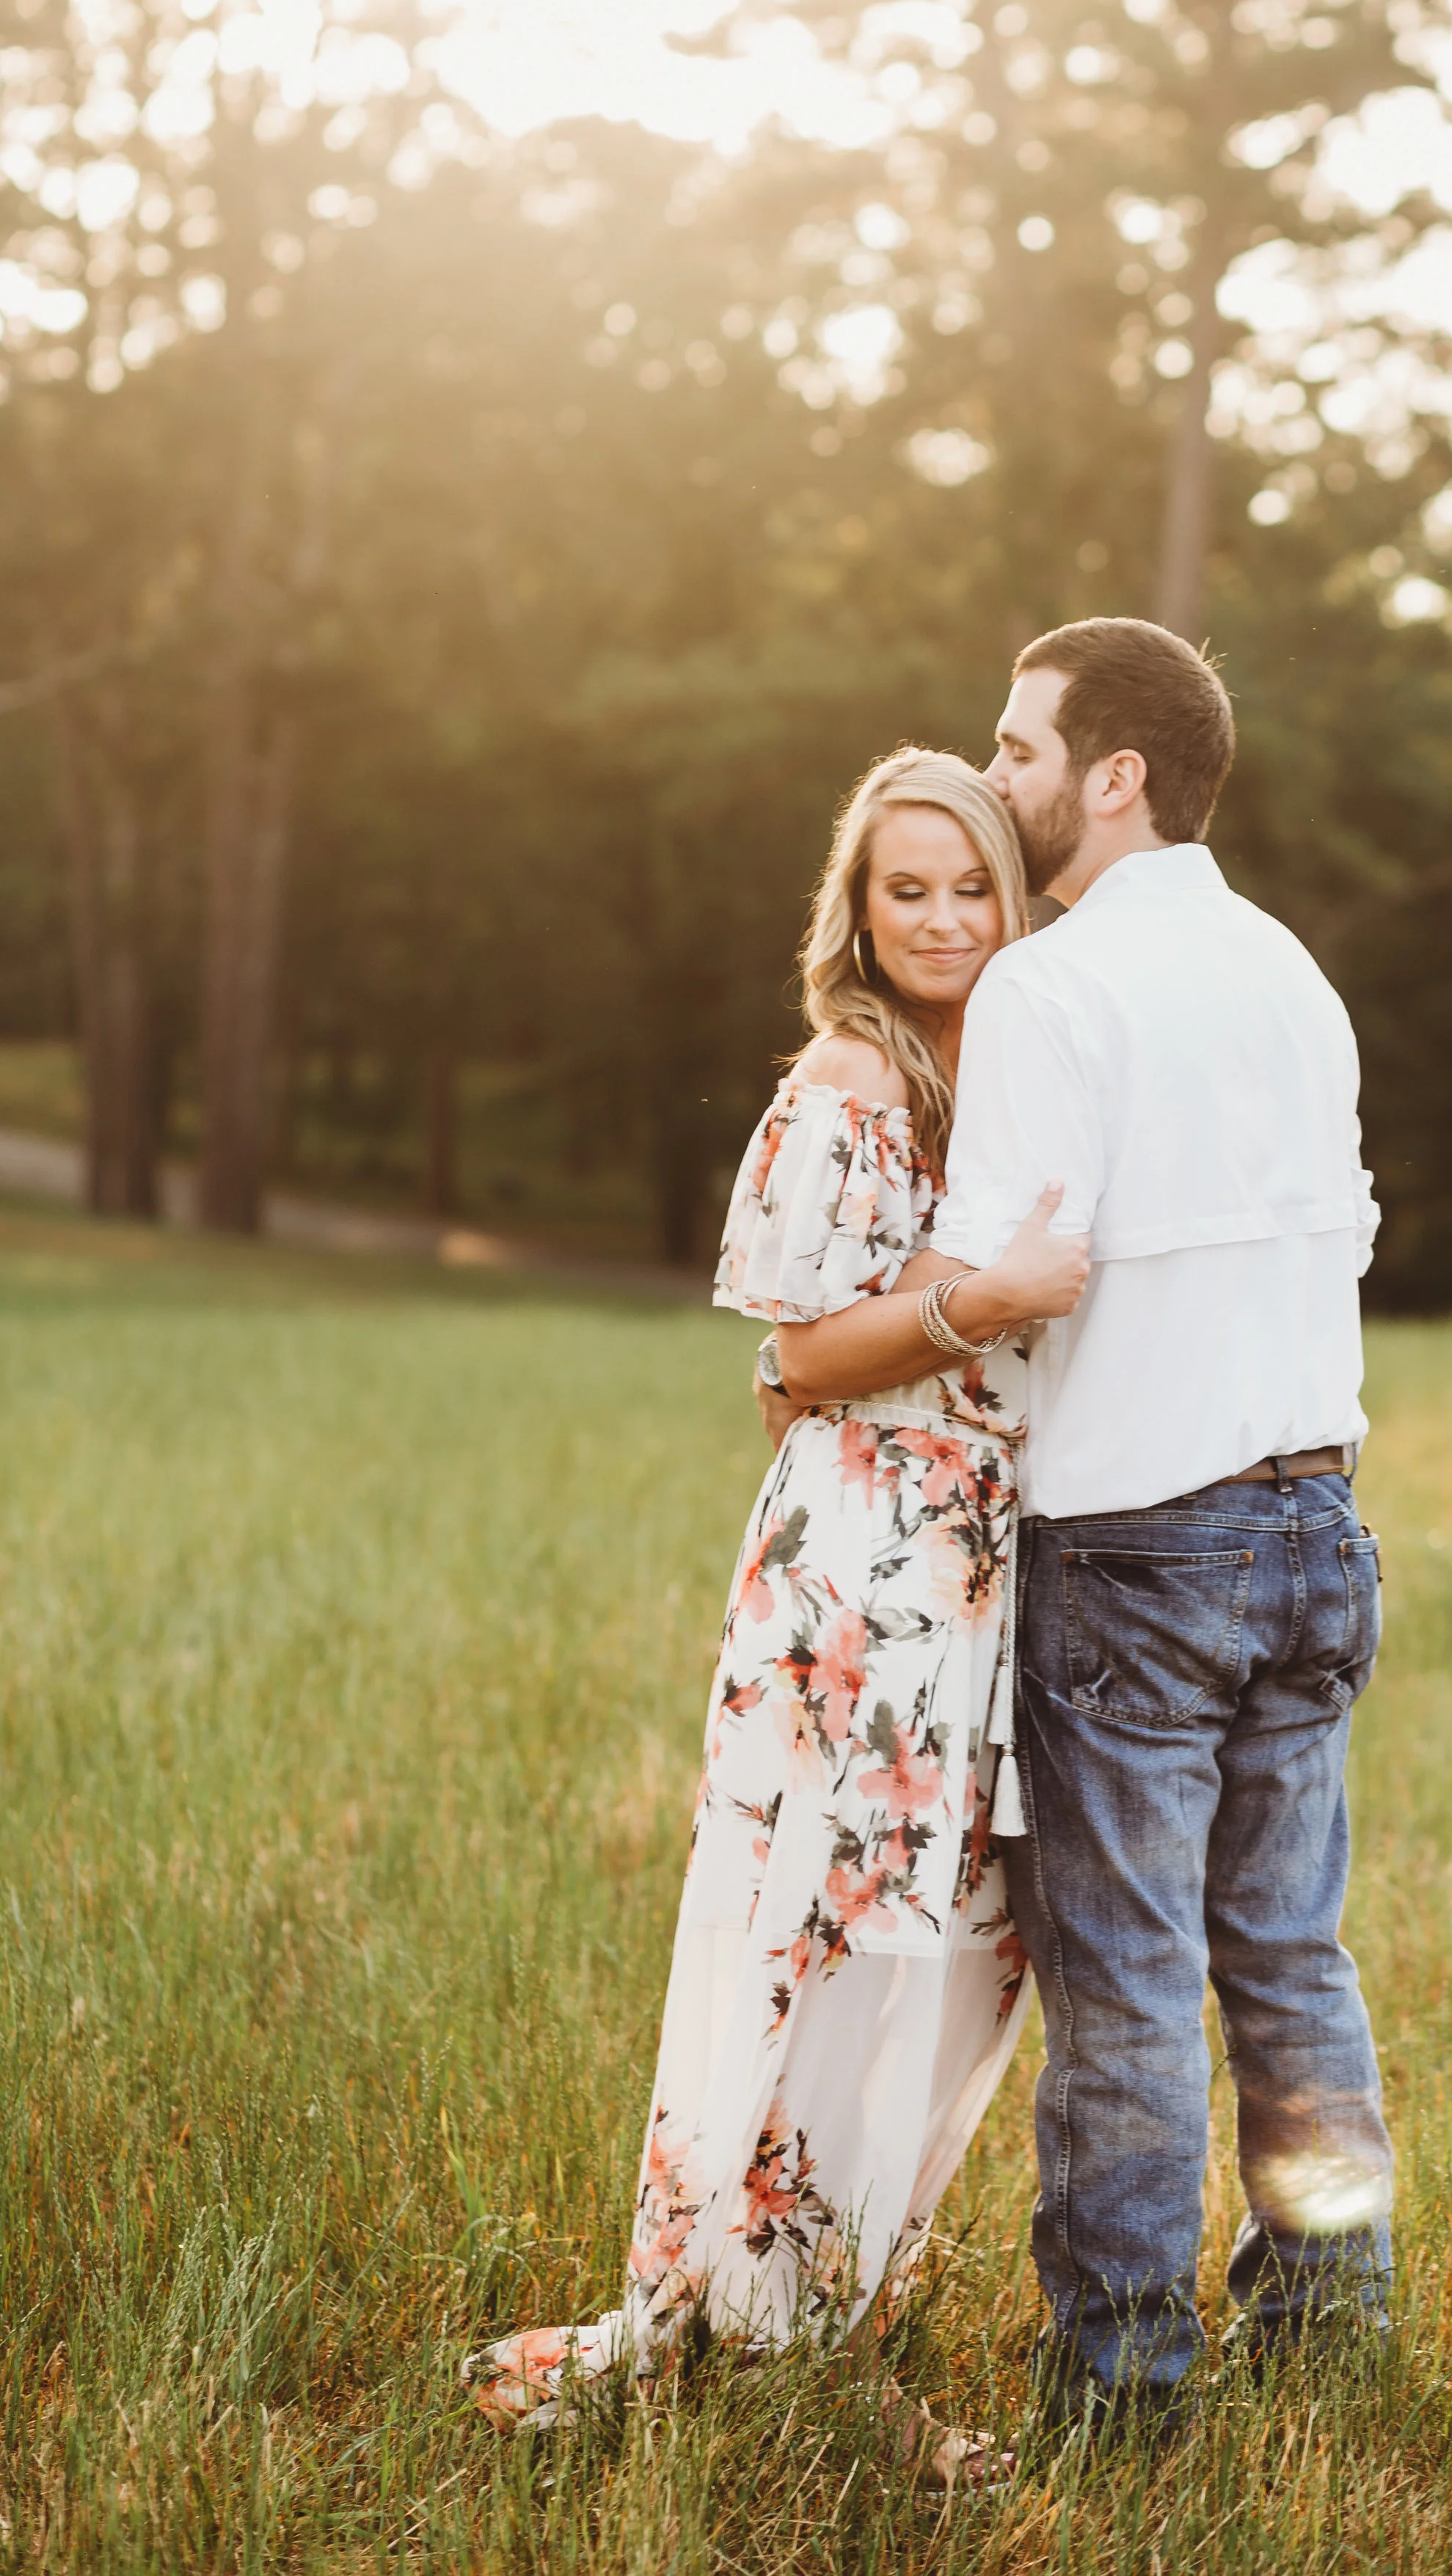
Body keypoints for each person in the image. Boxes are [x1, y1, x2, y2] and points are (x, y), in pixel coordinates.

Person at [464, 747, 1088, 2479]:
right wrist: (980, 1301)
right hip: (862, 1583)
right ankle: (763, 2336)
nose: (947, 918)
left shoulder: (1015, 1064)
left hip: (984, 1570)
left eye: (972, 884)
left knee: (960, 1952)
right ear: (859, 911)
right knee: (826, 1943)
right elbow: (798, 1350)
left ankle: (804, 2324)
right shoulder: (849, 1079)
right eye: (909, 890)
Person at [901, 616, 1393, 2433]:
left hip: (1138, 1547)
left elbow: (1003, 1280)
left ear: (1115, 775)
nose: (999, 777)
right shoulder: (1290, 969)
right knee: (1286, 1957)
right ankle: (1328, 2331)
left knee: (1121, 1991)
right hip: (1317, 1522)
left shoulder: (1049, 986)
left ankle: (1119, 2387)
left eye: (1019, 750)